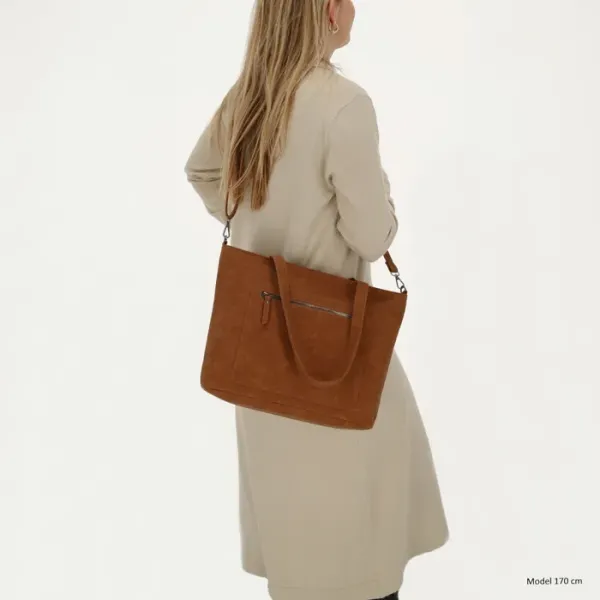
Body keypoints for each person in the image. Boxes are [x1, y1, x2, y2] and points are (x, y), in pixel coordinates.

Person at [183, 1, 449, 599]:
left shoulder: (252, 93)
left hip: (259, 358)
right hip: (334, 354)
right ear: (328, 11)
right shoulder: (344, 105)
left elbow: (202, 171)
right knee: (362, 556)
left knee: (300, 560)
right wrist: (382, 193)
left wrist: (255, 217)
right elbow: (372, 236)